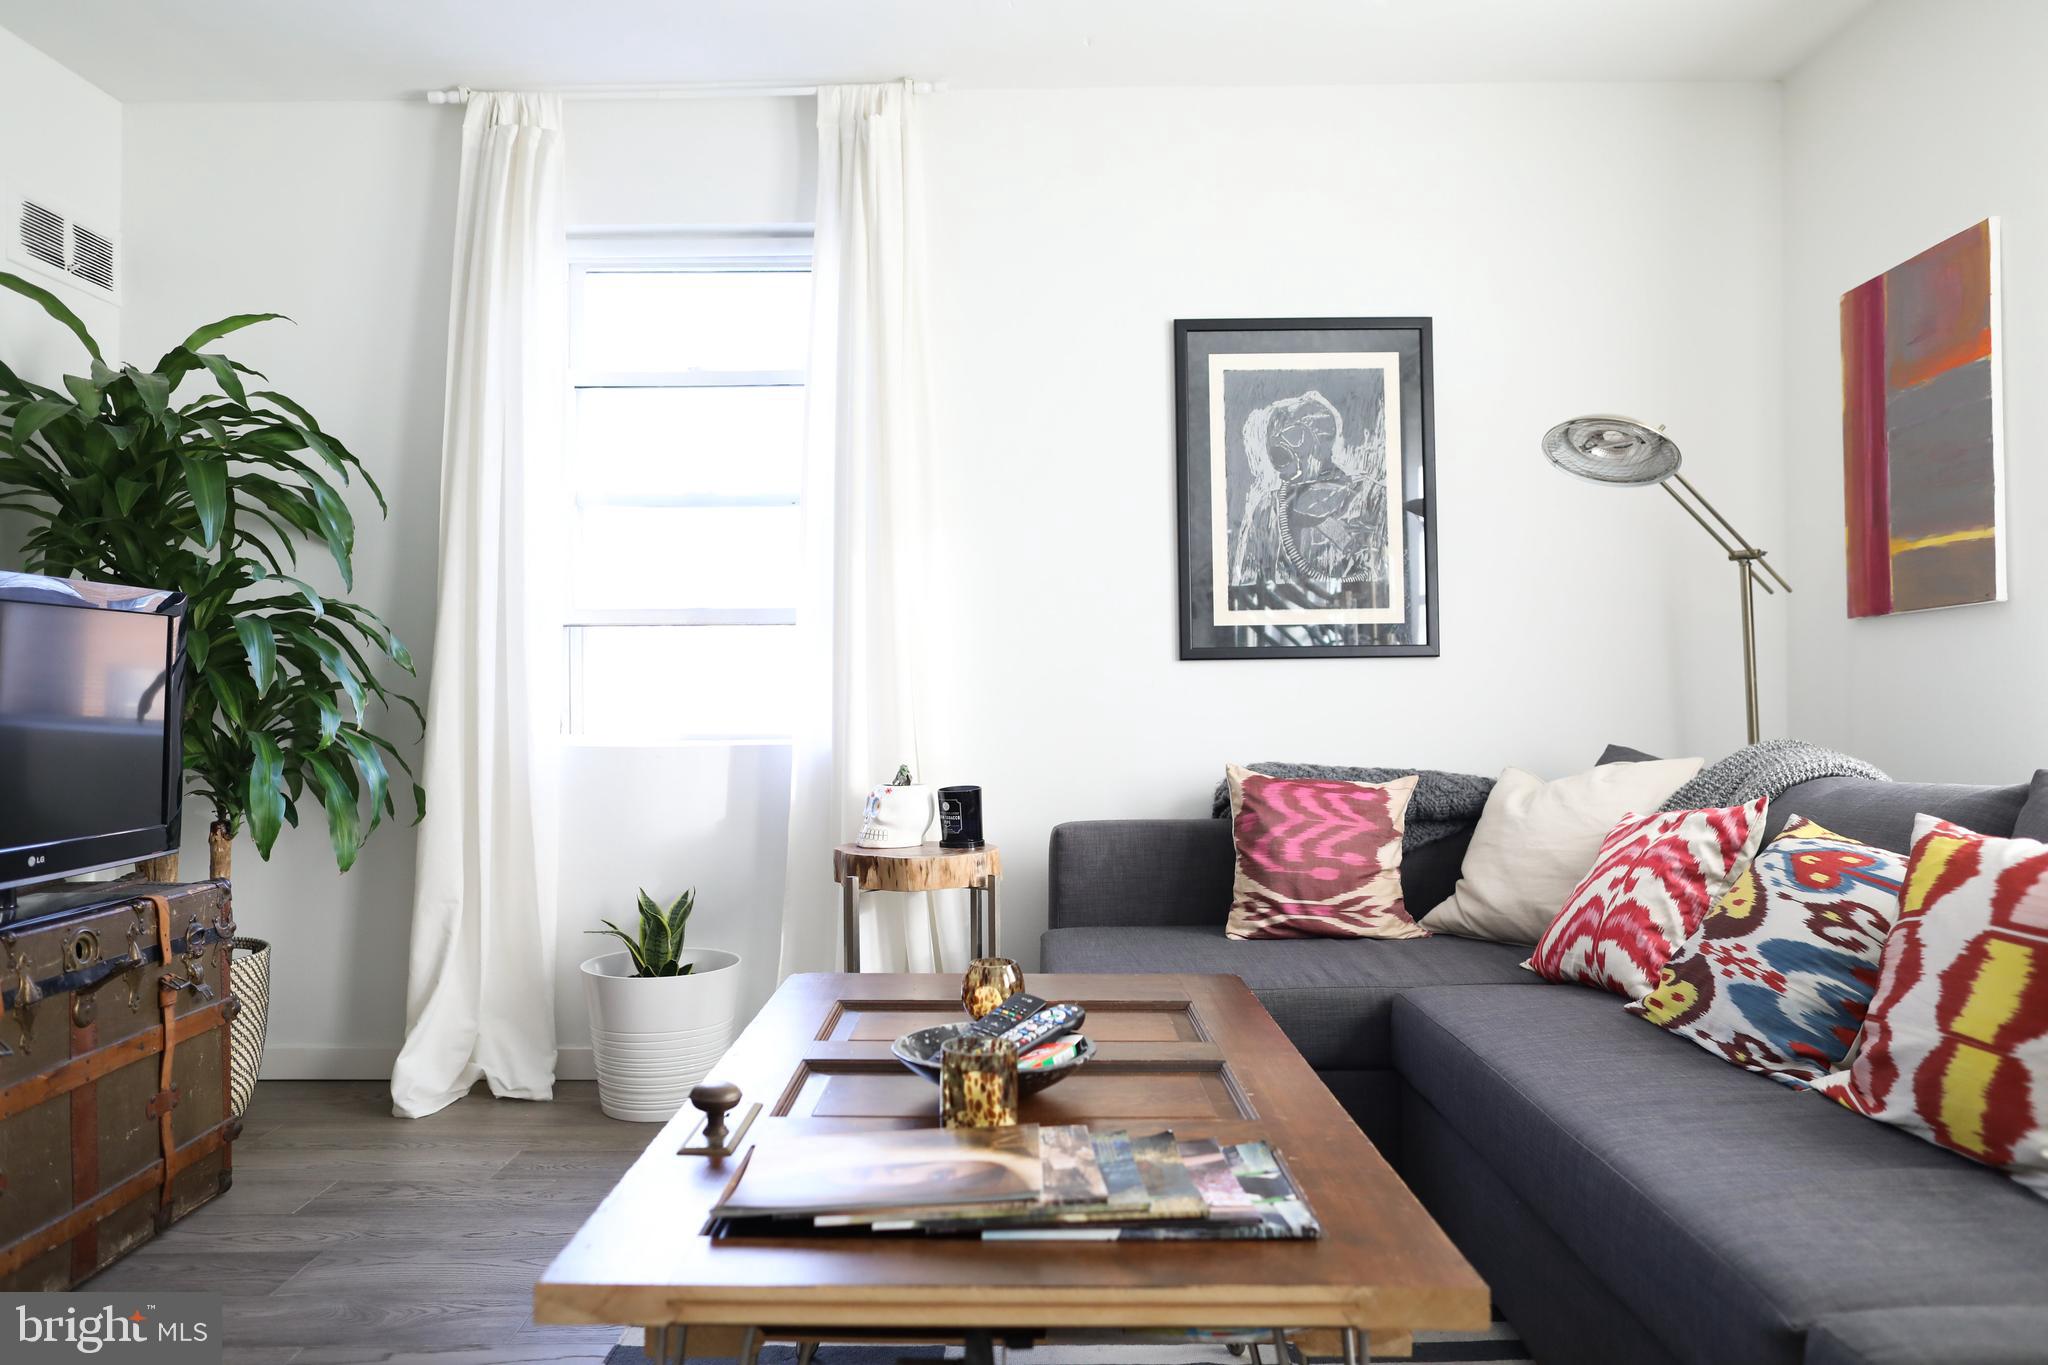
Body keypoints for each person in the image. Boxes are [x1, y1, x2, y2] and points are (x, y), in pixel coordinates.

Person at [1229, 390, 1389, 609]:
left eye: (1293, 437)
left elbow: (1388, 577)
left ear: (1320, 442)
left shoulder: (1371, 496)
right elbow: (1249, 581)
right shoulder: (1267, 509)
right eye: (1274, 440)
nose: (1280, 450)